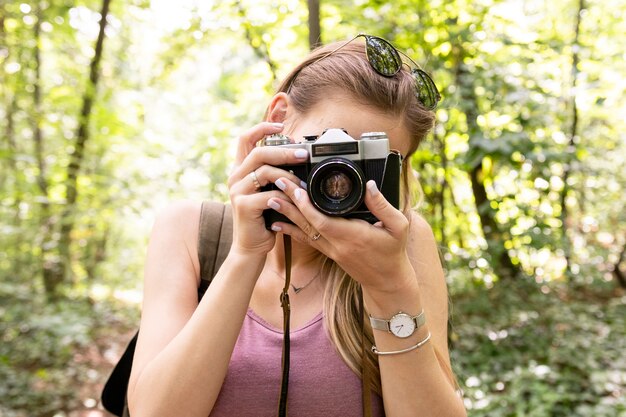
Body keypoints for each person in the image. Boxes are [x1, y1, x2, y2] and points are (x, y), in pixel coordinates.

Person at [127, 34, 467, 417]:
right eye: (329, 148)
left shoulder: (403, 243)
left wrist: (390, 287)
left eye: (365, 159)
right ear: (278, 119)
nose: (340, 178)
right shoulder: (189, 232)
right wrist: (245, 254)